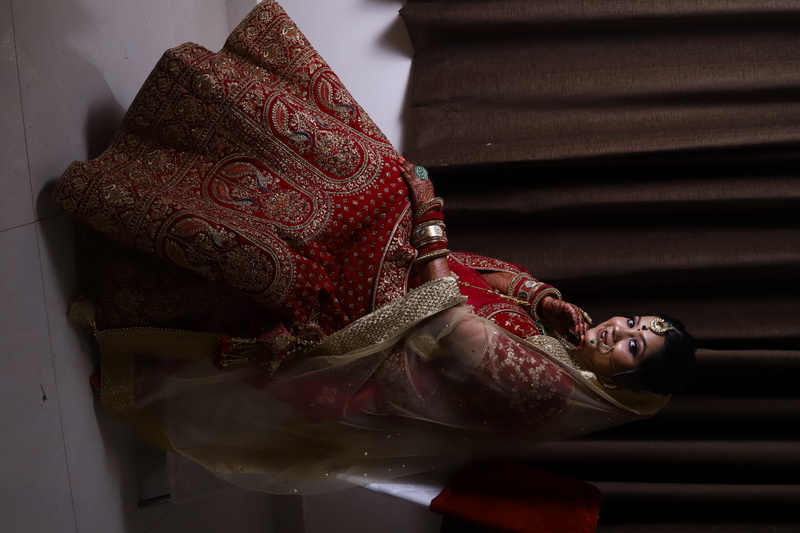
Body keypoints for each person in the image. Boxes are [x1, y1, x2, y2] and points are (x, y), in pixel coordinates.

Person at [55, 0, 695, 494]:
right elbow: (496, 285)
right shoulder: (569, 335)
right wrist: (538, 295)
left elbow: (459, 333)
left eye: (633, 346)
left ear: (626, 385)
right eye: (633, 322)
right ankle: (179, 134)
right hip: (408, 303)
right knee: (383, 179)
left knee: (370, 196)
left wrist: (430, 228)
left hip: (384, 349)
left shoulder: (551, 393)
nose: (619, 329)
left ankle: (144, 190)